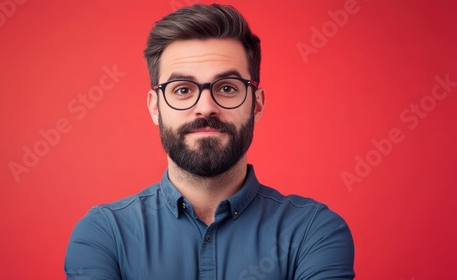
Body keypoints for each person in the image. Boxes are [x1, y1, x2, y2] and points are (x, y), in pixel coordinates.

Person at [64, 3, 355, 279]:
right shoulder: (104, 234)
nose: (205, 107)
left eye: (227, 88)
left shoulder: (314, 231)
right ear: (155, 107)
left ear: (256, 104)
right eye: (182, 90)